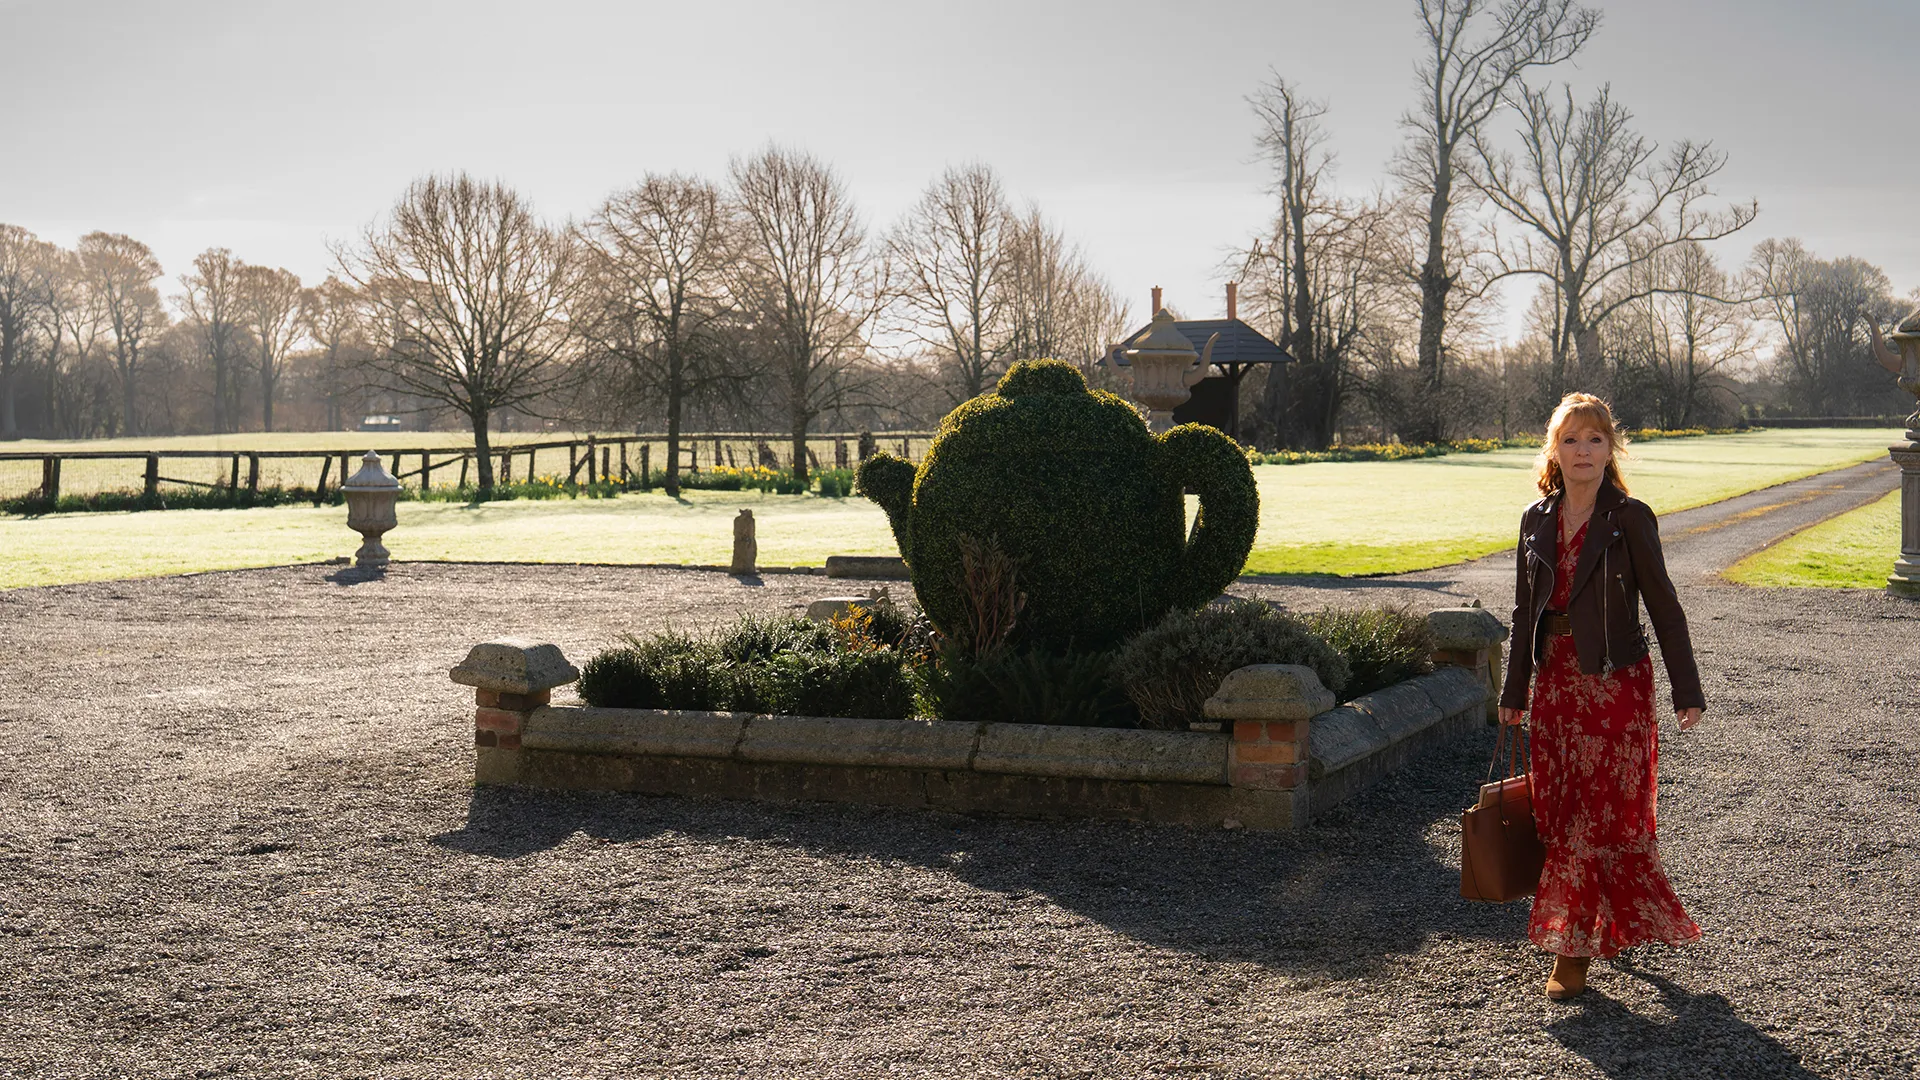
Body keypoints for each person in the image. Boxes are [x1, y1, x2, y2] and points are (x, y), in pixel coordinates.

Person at [1497, 393, 1705, 1001]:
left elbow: (1665, 608)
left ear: (1610, 448)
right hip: (1556, 684)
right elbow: (1521, 611)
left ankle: (1574, 951)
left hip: (1616, 686)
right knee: (1563, 810)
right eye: (1571, 439)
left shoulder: (1629, 517)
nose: (1582, 450)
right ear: (1553, 451)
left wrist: (1685, 689)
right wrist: (1514, 691)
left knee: (1598, 814)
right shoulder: (1535, 519)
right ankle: (1603, 921)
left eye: (1594, 439)